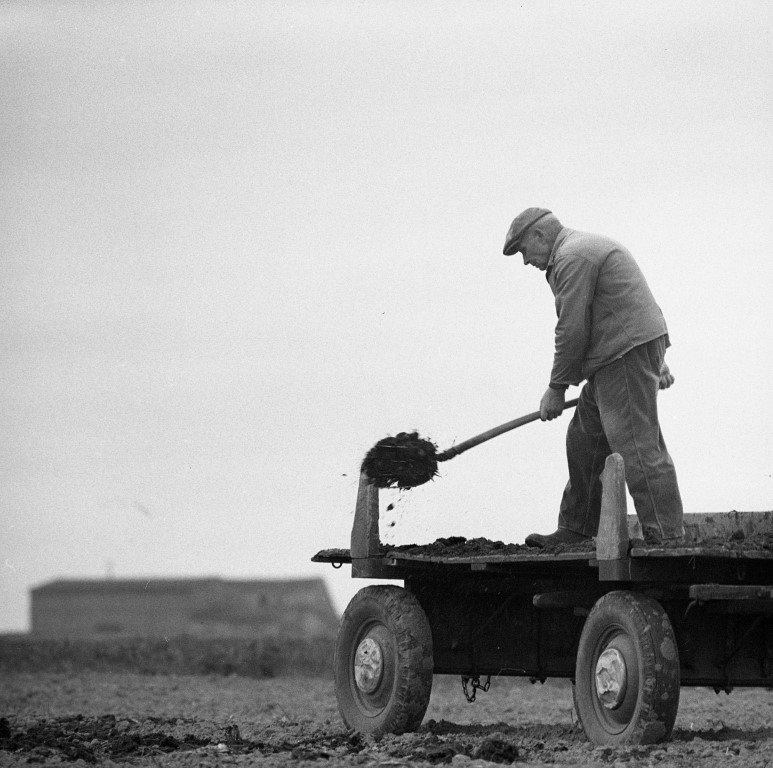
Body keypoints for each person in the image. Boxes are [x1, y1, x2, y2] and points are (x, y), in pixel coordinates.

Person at [502, 208, 684, 546]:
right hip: (618, 355)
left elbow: (571, 329)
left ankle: (667, 538)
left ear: (540, 236)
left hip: (621, 356)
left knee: (635, 445)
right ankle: (577, 529)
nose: (526, 261)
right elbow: (628, 303)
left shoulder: (572, 257)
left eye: (524, 250)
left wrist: (556, 388)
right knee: (585, 439)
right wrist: (656, 361)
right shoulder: (581, 249)